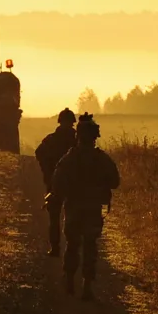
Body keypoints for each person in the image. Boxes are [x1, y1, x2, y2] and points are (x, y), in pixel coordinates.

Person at [49, 113, 120, 300]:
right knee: (90, 246)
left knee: (73, 244)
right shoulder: (102, 159)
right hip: (94, 209)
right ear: (95, 137)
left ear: (77, 136)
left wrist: (57, 196)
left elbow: (57, 182)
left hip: (74, 208)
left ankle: (69, 279)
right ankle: (87, 286)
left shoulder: (69, 158)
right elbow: (115, 182)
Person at [34, 108, 78, 256]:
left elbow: (39, 153)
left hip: (59, 183)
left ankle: (57, 248)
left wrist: (47, 172)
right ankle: (61, 248)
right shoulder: (77, 140)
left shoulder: (52, 139)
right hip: (67, 185)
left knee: (58, 219)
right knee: (64, 218)